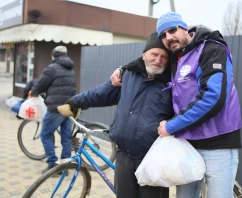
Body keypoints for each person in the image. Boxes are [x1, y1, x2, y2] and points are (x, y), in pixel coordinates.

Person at [111, 12, 242, 198]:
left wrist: (172, 125)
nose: (168, 37)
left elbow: (213, 97)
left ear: (184, 28)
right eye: (163, 35)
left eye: (172, 30)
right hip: (188, 144)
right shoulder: (175, 57)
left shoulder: (211, 49)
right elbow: (149, 62)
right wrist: (123, 69)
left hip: (218, 143)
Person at [57, 32, 173, 198]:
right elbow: (101, 93)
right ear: (144, 54)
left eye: (164, 57)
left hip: (153, 158)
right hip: (124, 156)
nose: (158, 60)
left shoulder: (171, 84)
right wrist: (74, 102)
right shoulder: (128, 75)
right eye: (154, 54)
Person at [29, 46, 76, 174]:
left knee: (45, 134)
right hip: (69, 107)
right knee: (66, 138)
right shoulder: (70, 68)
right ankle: (64, 168)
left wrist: (33, 93)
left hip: (56, 108)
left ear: (53, 55)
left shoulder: (52, 68)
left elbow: (41, 83)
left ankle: (52, 165)